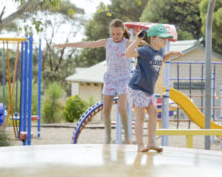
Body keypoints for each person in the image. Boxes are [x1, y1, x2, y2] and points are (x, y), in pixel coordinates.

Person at [53, 19, 132, 144]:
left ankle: (127, 137)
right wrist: (64, 45)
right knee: (106, 110)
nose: (115, 37)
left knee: (122, 109)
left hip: (123, 79)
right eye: (113, 34)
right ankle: (108, 138)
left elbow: (143, 47)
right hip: (110, 79)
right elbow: (85, 44)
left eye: (118, 34)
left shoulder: (128, 43)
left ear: (123, 31)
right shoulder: (107, 42)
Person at [124, 24, 182, 152]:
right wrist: (138, 40)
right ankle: (140, 145)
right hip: (137, 87)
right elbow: (127, 53)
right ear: (153, 38)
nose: (165, 40)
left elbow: (161, 59)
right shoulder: (145, 50)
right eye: (163, 38)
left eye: (166, 38)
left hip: (148, 90)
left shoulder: (160, 51)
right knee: (140, 116)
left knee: (154, 113)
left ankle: (151, 142)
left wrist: (171, 53)